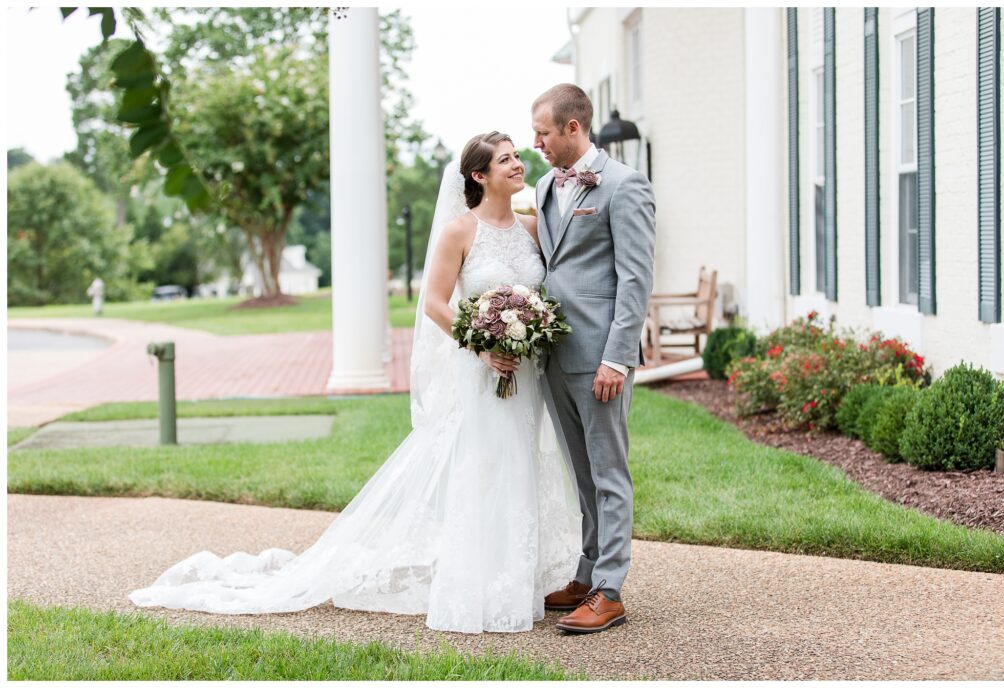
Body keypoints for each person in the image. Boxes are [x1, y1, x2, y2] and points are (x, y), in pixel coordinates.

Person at [129, 132, 582, 634]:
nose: (518, 164)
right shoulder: (459, 232)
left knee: (525, 464)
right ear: (479, 175)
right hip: (483, 373)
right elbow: (434, 303)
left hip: (528, 376)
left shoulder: (532, 228)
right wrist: (483, 345)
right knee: (487, 466)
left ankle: (517, 578)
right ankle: (481, 584)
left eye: (518, 155)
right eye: (506, 159)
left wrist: (528, 332)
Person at [532, 84, 656, 634]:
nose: (536, 142)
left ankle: (610, 591)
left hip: (601, 357)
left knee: (609, 473)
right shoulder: (542, 186)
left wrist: (618, 359)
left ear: (573, 128)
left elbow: (635, 279)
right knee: (582, 474)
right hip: (554, 355)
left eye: (543, 132)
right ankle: (586, 573)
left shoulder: (626, 187)